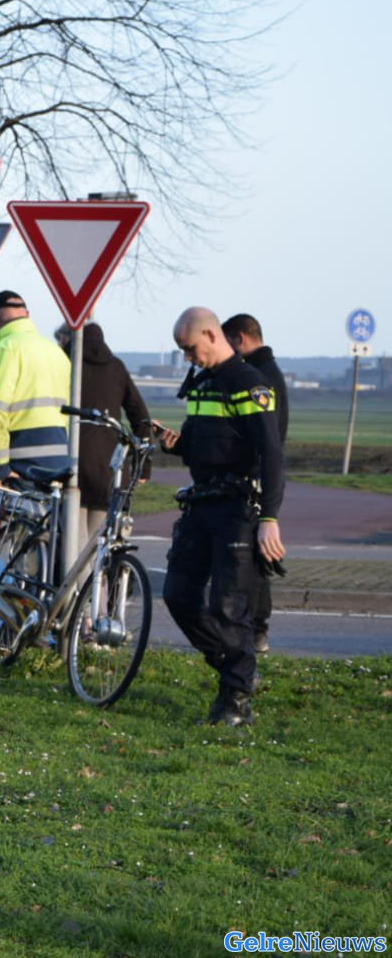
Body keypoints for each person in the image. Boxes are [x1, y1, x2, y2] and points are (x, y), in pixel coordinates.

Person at [157, 307, 285, 727]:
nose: (187, 358)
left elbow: (271, 454)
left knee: (229, 608)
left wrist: (270, 518)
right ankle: (237, 671)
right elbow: (203, 441)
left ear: (212, 335)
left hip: (237, 509)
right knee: (178, 595)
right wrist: (176, 445)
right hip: (201, 503)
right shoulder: (203, 384)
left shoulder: (250, 385)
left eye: (190, 349)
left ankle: (235, 703)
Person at [221, 312, 290, 657]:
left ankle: (257, 631)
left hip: (257, 478)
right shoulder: (269, 371)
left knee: (256, 563)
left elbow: (268, 441)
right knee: (256, 560)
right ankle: (255, 630)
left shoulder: (259, 377)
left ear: (240, 339)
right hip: (262, 475)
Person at [56, 322, 153, 537]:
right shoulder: (116, 367)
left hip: (73, 463)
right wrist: (143, 466)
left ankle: (79, 571)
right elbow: (140, 415)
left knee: (74, 543)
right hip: (110, 466)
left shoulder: (64, 364)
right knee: (96, 542)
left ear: (66, 339)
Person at [0, 290, 72, 482]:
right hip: (61, 456)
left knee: (17, 512)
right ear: (27, 315)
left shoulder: (4, 349)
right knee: (53, 512)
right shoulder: (56, 351)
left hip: (22, 461)